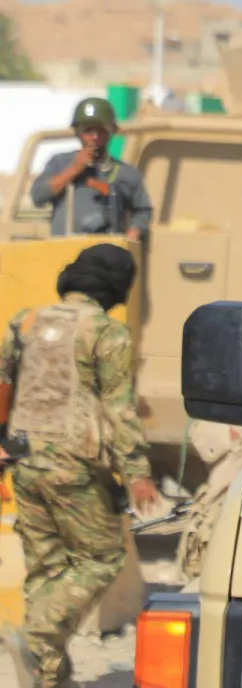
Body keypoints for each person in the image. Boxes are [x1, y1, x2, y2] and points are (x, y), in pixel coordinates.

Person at [0, 243, 163, 688]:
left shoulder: (25, 321)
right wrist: (138, 476)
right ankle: (39, 636)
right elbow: (120, 410)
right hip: (73, 466)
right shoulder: (107, 333)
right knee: (102, 557)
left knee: (48, 567)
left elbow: (2, 383)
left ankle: (48, 676)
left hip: (24, 461)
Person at [28, 98, 153, 242]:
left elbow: (143, 210)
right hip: (64, 250)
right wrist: (74, 169)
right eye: (88, 131)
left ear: (111, 132)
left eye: (101, 131)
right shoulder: (59, 162)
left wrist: (132, 234)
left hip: (106, 253)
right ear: (77, 132)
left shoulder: (126, 172)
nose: (95, 137)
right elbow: (38, 195)